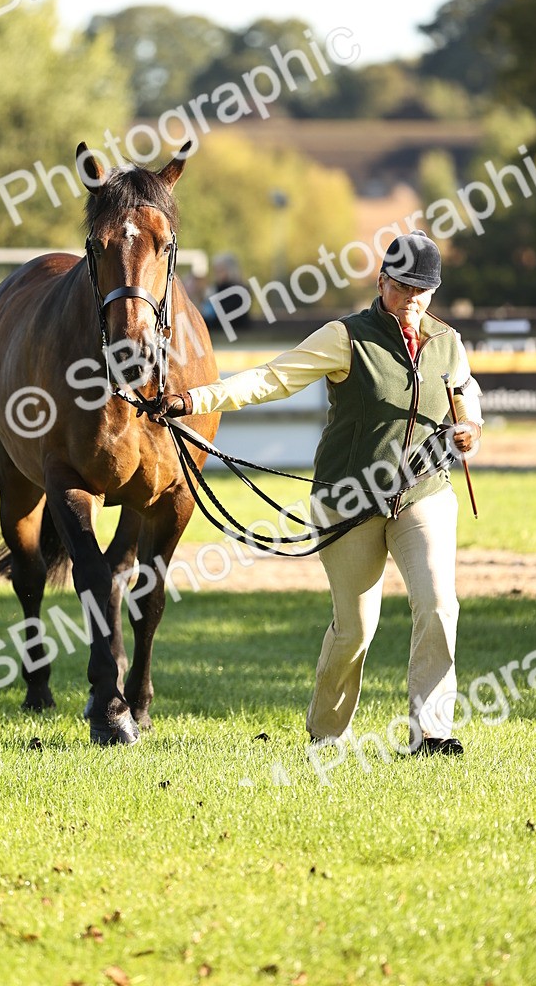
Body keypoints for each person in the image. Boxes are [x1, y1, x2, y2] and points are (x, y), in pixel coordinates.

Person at [153, 232, 482, 756]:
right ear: (382, 283)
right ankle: (328, 734)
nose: (411, 299)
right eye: (401, 287)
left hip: (423, 493)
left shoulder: (448, 342)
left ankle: (431, 732)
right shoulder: (345, 337)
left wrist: (471, 429)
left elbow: (465, 393)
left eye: (421, 290)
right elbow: (272, 379)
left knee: (440, 605)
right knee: (355, 630)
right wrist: (194, 399)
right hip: (348, 500)